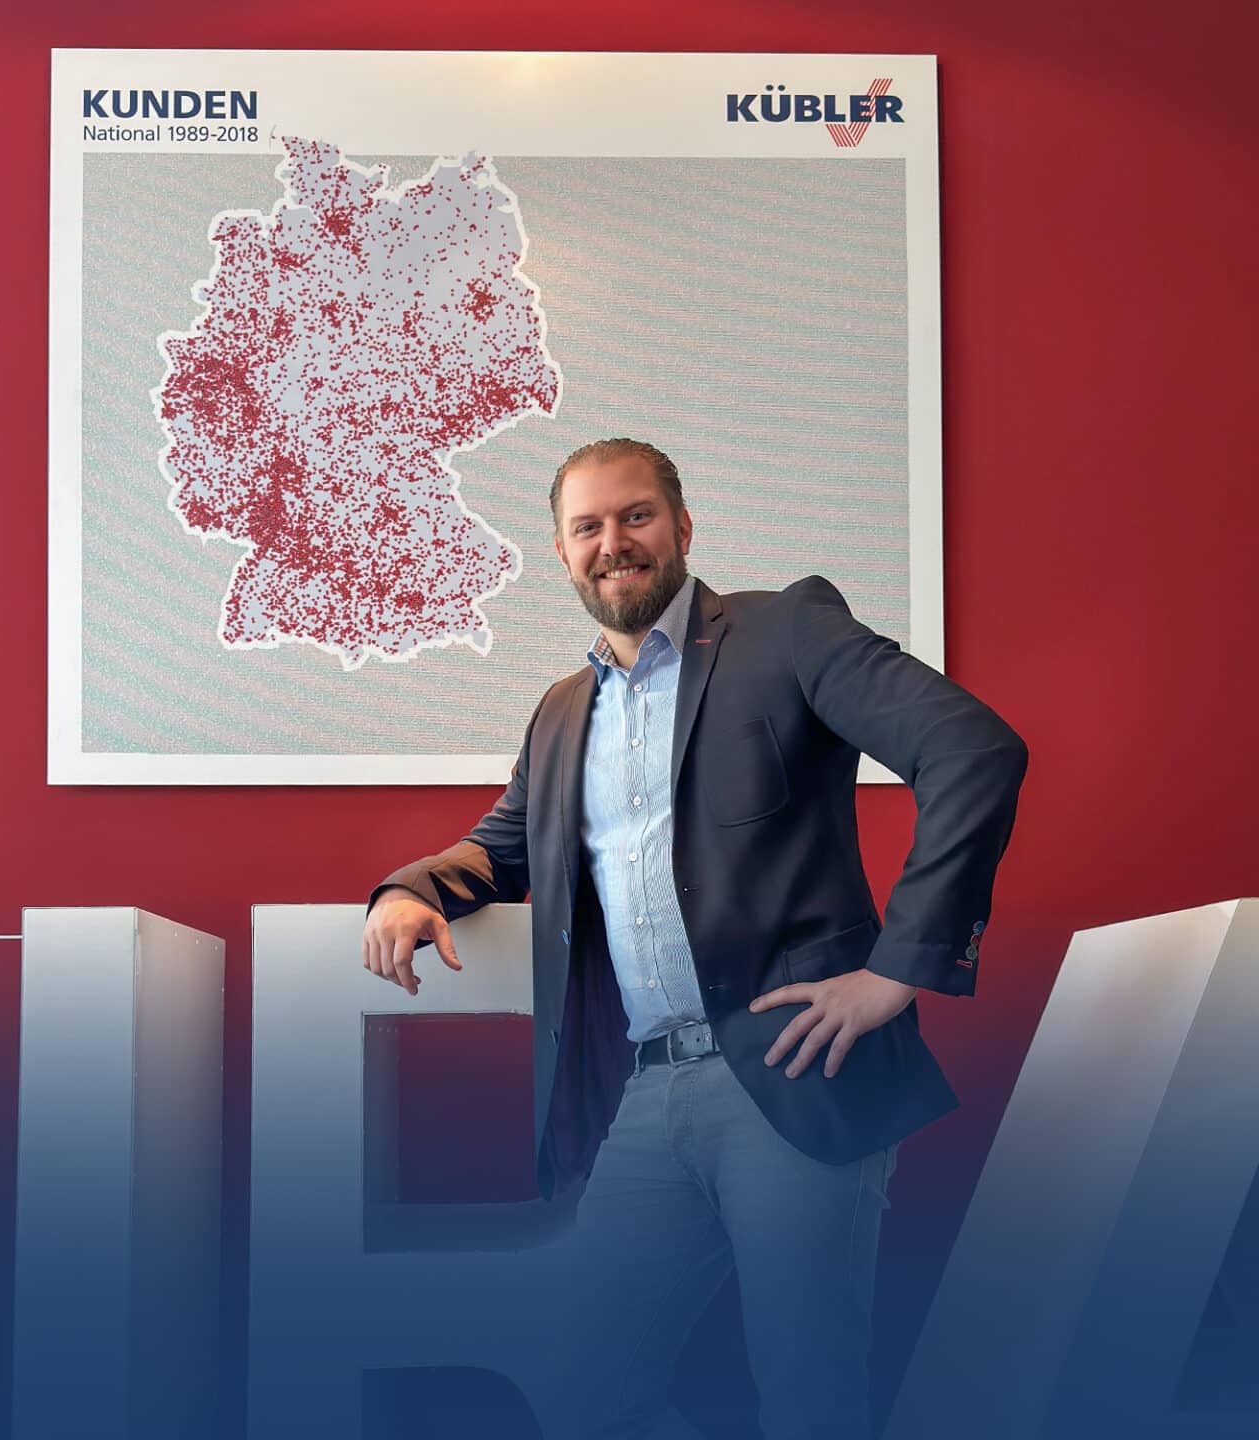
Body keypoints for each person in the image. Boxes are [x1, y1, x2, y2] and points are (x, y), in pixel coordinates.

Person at [361, 438, 1027, 1438]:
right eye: (587, 527)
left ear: (681, 528)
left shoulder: (786, 632)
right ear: (561, 551)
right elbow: (503, 848)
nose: (613, 543)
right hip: (647, 1092)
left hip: (797, 1073)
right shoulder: (560, 711)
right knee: (583, 1387)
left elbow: (973, 748)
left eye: (635, 516)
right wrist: (410, 891)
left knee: (810, 1397)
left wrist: (899, 968)